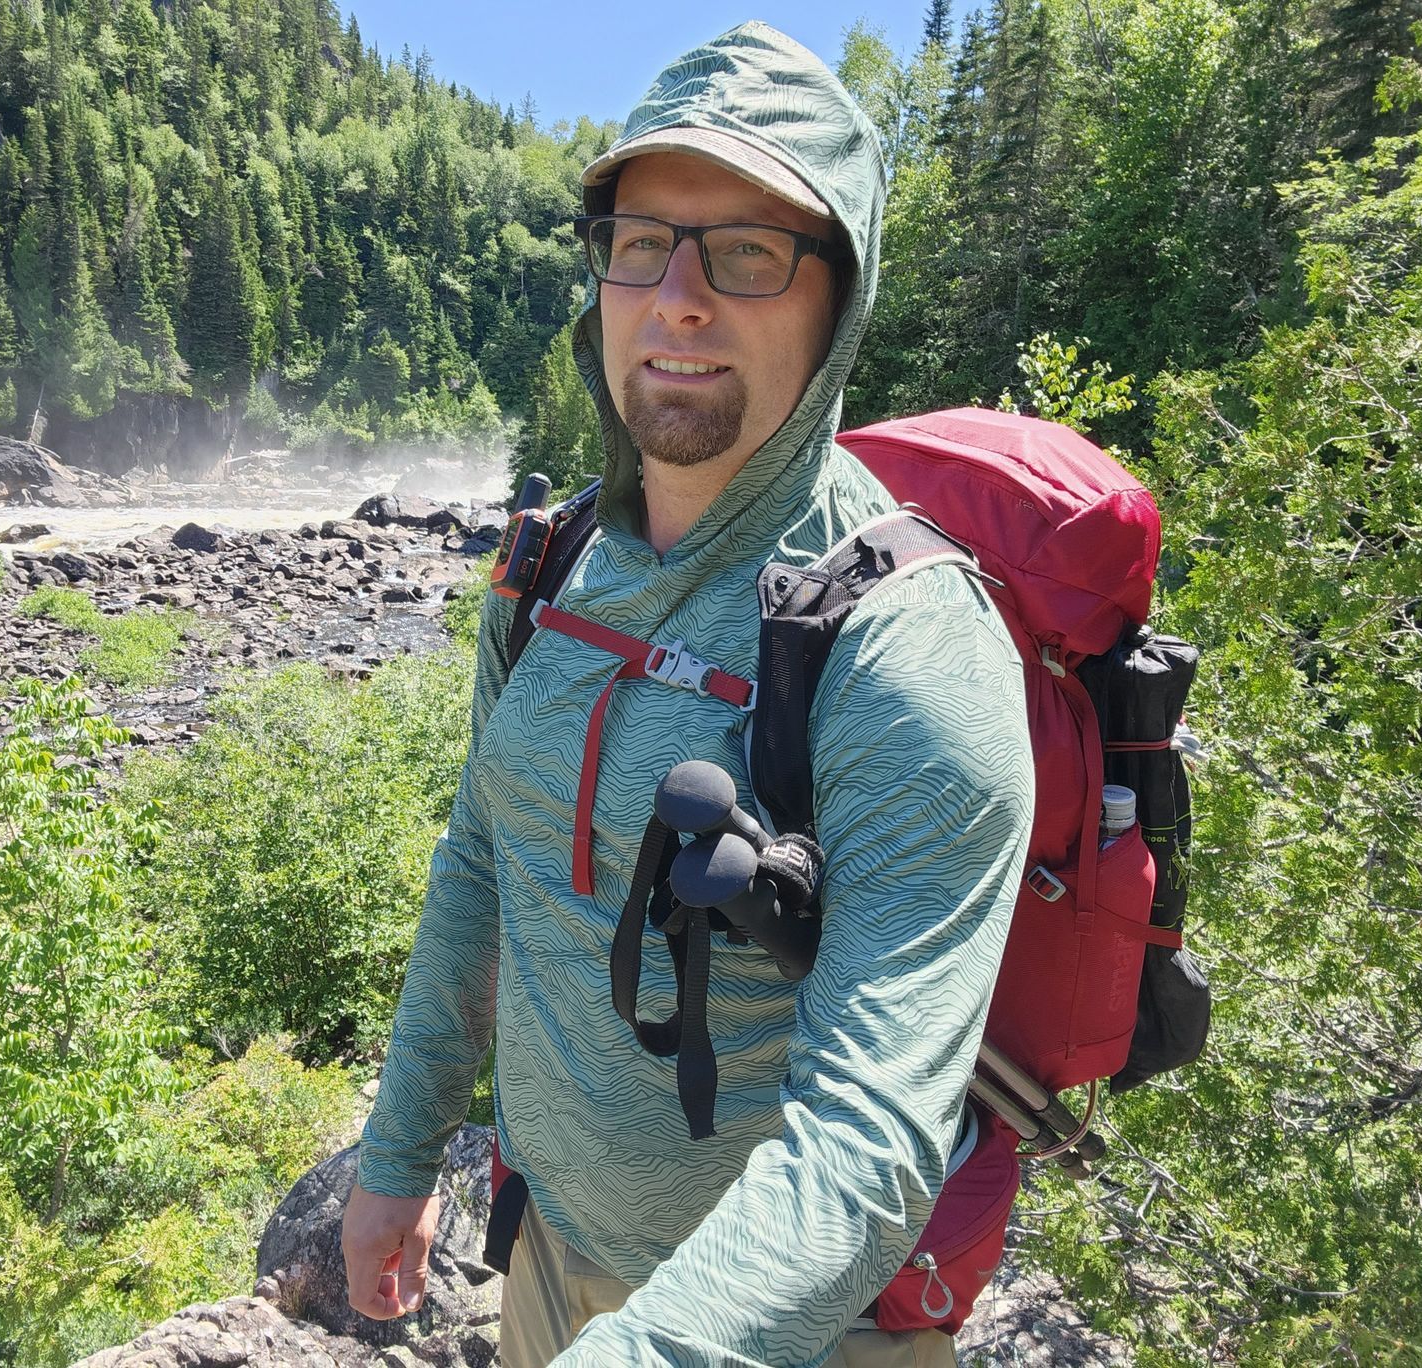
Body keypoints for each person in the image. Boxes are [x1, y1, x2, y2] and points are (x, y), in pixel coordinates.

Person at [342, 22, 1032, 1367]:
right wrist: (397, 1152)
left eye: (749, 252)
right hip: (546, 1262)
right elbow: (482, 859)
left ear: (842, 297)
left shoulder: (907, 651)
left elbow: (869, 1143)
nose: (680, 297)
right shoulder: (547, 572)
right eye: (645, 243)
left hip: (790, 1335)